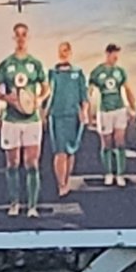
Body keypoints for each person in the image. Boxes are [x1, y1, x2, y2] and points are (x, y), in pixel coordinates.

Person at [0, 22, 49, 218]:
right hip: (11, 121)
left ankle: (32, 207)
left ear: (28, 37)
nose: (21, 38)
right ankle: (14, 203)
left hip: (32, 120)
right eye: (18, 35)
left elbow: (46, 87)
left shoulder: (36, 63)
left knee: (32, 163)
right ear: (13, 38)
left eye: (24, 34)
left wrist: (39, 99)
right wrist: (7, 98)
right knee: (12, 163)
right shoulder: (6, 64)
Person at [89, 43, 136, 187]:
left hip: (119, 109)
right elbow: (90, 92)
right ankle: (108, 173)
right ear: (107, 54)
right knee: (107, 142)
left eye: (117, 55)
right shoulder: (98, 71)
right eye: (114, 54)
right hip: (105, 110)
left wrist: (133, 107)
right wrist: (89, 112)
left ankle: (120, 174)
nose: (116, 57)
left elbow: (128, 89)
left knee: (120, 140)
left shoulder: (120, 71)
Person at [46, 41, 89, 199]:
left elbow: (83, 95)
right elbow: (47, 94)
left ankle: (67, 180)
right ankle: (61, 185)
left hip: (73, 116)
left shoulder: (78, 73)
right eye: (61, 50)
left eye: (66, 50)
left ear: (70, 52)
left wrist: (84, 112)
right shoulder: (52, 72)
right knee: (60, 152)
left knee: (71, 152)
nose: (63, 53)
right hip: (57, 116)